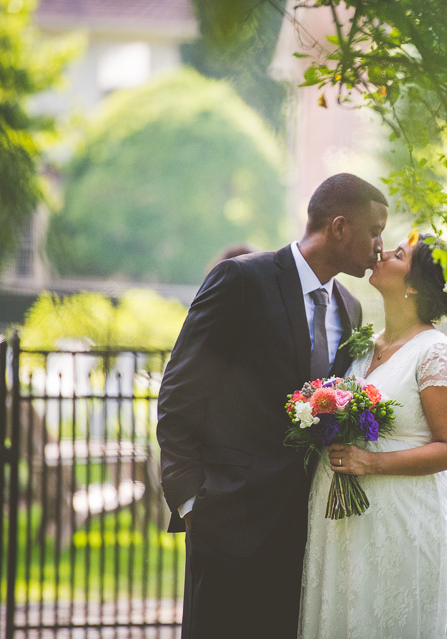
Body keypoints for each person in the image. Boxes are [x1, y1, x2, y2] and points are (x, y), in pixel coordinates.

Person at [156, 173, 389, 638]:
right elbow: (180, 389)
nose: (380, 246)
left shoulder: (350, 308)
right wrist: (190, 502)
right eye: (375, 230)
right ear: (339, 227)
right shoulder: (242, 279)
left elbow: (349, 404)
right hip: (228, 522)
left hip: (309, 533)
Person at [298, 233, 447, 638]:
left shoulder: (434, 351)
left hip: (405, 519)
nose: (382, 252)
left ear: (414, 285)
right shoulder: (365, 344)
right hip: (348, 523)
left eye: (399, 254)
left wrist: (371, 461)